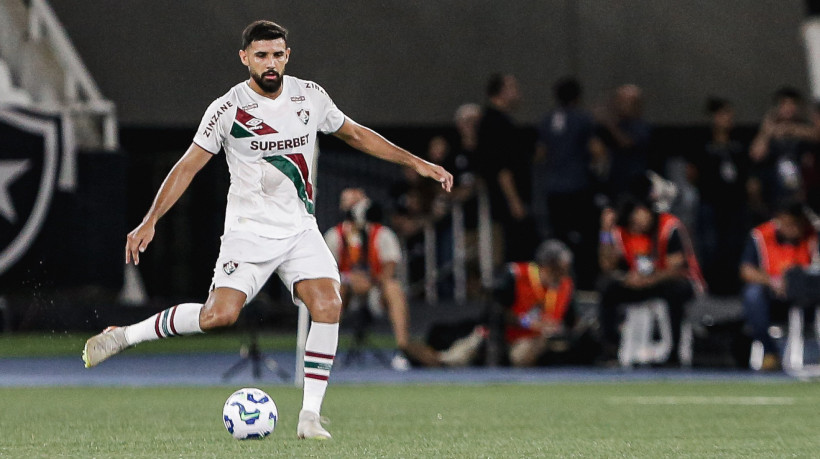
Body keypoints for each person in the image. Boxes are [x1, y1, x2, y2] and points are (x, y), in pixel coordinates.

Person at [81, 20, 452, 440]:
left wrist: (416, 162)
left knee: (328, 303)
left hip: (300, 230)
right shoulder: (227, 109)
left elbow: (355, 133)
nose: (270, 63)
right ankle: (123, 336)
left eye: (277, 54)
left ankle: (310, 416)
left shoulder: (310, 96)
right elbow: (186, 167)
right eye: (261, 55)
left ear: (287, 55)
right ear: (245, 58)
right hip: (249, 233)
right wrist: (151, 219)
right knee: (218, 316)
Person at [598, 176, 705, 365]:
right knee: (607, 287)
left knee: (675, 291)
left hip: (675, 282)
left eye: (639, 214)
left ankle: (674, 353)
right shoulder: (624, 231)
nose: (636, 223)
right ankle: (611, 349)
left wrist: (647, 280)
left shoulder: (669, 226)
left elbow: (676, 269)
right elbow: (607, 266)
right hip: (642, 283)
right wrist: (605, 232)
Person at [323, 188, 413, 370]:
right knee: (334, 291)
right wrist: (349, 279)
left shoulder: (382, 234)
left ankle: (403, 351)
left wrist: (370, 281)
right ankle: (325, 352)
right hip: (346, 291)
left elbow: (390, 268)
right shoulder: (334, 235)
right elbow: (325, 270)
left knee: (393, 288)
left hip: (375, 291)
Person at [533, 77, 603, 288]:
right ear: (578, 97)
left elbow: (540, 154)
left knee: (559, 238)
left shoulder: (547, 120)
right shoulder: (583, 118)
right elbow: (597, 150)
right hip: (578, 187)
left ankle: (557, 283)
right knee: (585, 238)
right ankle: (585, 282)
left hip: (554, 189)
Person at [740, 202, 819, 371]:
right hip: (773, 295)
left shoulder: (813, 235)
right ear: (779, 220)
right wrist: (773, 281)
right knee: (752, 294)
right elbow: (746, 270)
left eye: (797, 224)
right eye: (788, 224)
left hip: (808, 294)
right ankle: (770, 352)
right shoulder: (761, 235)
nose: (793, 229)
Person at [687, 97, 749, 294]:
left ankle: (734, 285)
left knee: (735, 243)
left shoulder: (739, 141)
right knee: (711, 245)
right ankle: (714, 286)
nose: (728, 118)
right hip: (711, 202)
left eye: (730, 114)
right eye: (723, 114)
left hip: (736, 202)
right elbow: (691, 173)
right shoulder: (701, 142)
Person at [475, 73, 538, 263]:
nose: (518, 93)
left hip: (511, 200)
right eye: (513, 88)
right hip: (508, 202)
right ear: (501, 92)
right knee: (517, 252)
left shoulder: (500, 121)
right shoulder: (495, 123)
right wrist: (514, 201)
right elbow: (501, 167)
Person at [495, 240, 577, 367]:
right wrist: (529, 323)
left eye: (565, 271)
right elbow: (498, 313)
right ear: (545, 266)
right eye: (558, 270)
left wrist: (557, 327)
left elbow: (570, 321)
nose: (562, 276)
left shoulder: (565, 285)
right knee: (520, 355)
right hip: (512, 338)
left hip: (545, 340)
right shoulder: (517, 275)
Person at [749, 87, 818, 218]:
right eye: (784, 104)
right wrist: (767, 130)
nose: (789, 108)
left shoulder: (803, 126)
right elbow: (756, 154)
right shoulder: (769, 129)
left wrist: (791, 129)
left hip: (802, 188)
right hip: (776, 189)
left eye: (792, 104)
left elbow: (815, 135)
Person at [595, 84, 652, 201]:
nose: (619, 105)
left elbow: (626, 143)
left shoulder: (641, 126)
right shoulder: (617, 125)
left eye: (624, 101)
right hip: (615, 181)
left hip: (634, 183)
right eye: (618, 101)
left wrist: (609, 123)